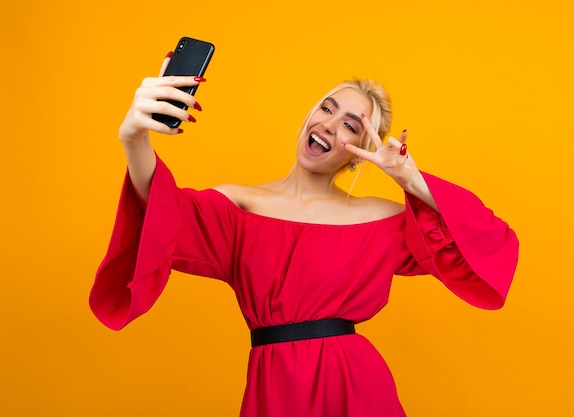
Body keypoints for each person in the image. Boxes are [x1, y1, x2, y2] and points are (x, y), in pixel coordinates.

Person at [90, 53, 519, 417]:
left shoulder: (379, 221)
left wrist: (412, 180)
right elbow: (162, 211)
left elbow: (482, 243)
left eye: (352, 126)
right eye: (328, 109)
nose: (331, 125)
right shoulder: (240, 207)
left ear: (358, 155)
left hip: (356, 391)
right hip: (272, 390)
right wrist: (135, 137)